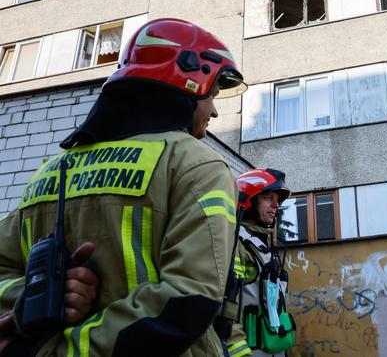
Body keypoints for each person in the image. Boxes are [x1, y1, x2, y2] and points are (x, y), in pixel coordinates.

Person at [0, 18, 247, 356]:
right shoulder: (197, 165)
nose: (215, 111)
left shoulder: (51, 170)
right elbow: (190, 298)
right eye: (214, 94)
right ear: (193, 82)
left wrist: (35, 297)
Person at [227, 169, 296, 357]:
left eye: (277, 200)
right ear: (248, 202)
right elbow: (225, 309)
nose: (275, 205)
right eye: (268, 198)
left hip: (273, 348)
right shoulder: (235, 244)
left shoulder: (264, 246)